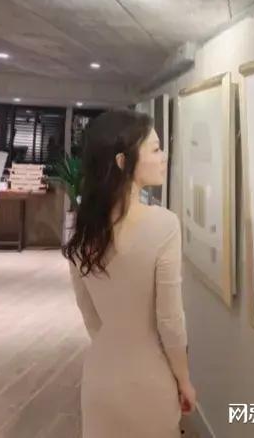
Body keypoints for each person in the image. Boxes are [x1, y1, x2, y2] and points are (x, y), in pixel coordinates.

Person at [62, 109, 196, 438]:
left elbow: (89, 314)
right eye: (155, 149)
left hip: (99, 379)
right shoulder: (164, 224)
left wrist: (117, 344)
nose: (164, 156)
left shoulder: (81, 229)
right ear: (123, 162)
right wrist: (184, 380)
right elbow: (170, 321)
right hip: (149, 380)